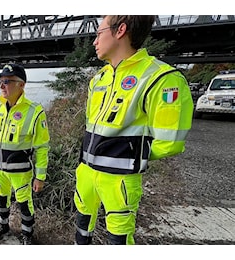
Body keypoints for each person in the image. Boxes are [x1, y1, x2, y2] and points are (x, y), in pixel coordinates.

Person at [73, 15, 193, 245]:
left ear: (120, 31)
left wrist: (127, 155)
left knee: (119, 239)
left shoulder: (161, 78)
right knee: (81, 231)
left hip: (120, 181)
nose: (94, 42)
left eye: (98, 33)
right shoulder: (99, 78)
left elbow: (171, 141)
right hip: (86, 174)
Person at [0, 63, 50, 245]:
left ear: (21, 84)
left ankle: (27, 234)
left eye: (7, 81)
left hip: (20, 173)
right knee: (1, 200)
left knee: (24, 204)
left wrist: (40, 177)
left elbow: (42, 147)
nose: (1, 85)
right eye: (0, 81)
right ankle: (3, 226)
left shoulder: (34, 111)